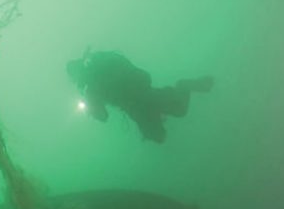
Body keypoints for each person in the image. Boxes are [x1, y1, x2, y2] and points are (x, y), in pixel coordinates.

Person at [66, 50, 214, 143]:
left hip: (141, 100)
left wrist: (88, 108)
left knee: (176, 115)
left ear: (77, 74)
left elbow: (102, 116)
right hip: (141, 98)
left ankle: (183, 85)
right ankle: (174, 94)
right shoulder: (97, 73)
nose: (75, 81)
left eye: (73, 78)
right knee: (159, 136)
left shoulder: (91, 87)